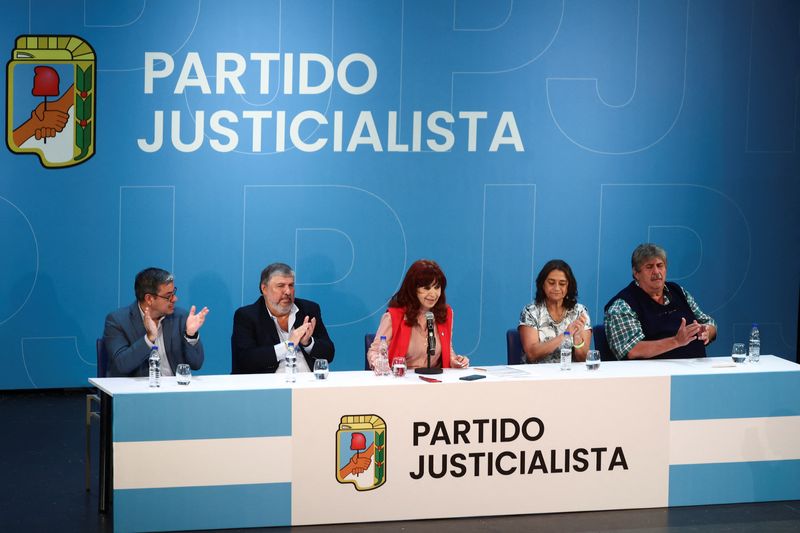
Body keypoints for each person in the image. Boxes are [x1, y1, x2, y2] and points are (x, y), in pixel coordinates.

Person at [604, 243, 717, 360]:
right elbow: (633, 350)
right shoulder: (622, 305)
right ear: (636, 273)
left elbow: (709, 323)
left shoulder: (679, 292)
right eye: (649, 267)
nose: (656, 272)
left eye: (660, 265)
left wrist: (707, 331)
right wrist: (676, 341)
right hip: (653, 376)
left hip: (696, 371)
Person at [104, 267, 209, 377]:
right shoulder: (118, 321)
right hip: (138, 391)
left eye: (174, 293)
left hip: (174, 390)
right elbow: (122, 365)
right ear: (149, 299)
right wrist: (149, 339)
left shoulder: (181, 317)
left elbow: (196, 364)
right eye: (168, 296)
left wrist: (191, 335)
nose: (175, 299)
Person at [231, 263, 335, 374]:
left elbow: (329, 354)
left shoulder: (308, 309)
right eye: (281, 286)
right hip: (269, 386)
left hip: (308, 383)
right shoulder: (247, 316)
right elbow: (245, 359)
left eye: (291, 285)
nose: (288, 292)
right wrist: (289, 345)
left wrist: (308, 343)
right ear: (264, 288)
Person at [368, 259, 469, 370]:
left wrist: (454, 361)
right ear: (413, 289)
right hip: (402, 380)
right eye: (426, 288)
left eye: (437, 287)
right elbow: (375, 351)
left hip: (435, 382)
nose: (433, 294)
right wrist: (381, 366)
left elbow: (447, 349)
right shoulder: (394, 316)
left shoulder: (445, 314)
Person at [518, 259, 591, 363]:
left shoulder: (580, 311)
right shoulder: (531, 311)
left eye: (562, 284)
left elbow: (583, 359)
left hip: (570, 375)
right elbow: (531, 354)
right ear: (543, 284)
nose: (556, 288)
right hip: (539, 375)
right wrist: (565, 335)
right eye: (551, 283)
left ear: (568, 287)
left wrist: (578, 338)